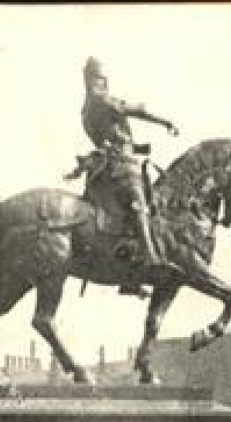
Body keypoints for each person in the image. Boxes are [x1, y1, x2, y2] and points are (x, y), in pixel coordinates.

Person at [75, 56, 179, 275]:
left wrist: (137, 147)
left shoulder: (87, 107)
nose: (101, 83)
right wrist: (165, 121)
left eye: (103, 79)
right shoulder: (101, 101)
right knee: (139, 201)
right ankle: (150, 257)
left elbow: (113, 135)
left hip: (110, 163)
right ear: (89, 79)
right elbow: (137, 110)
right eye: (97, 78)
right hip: (119, 165)